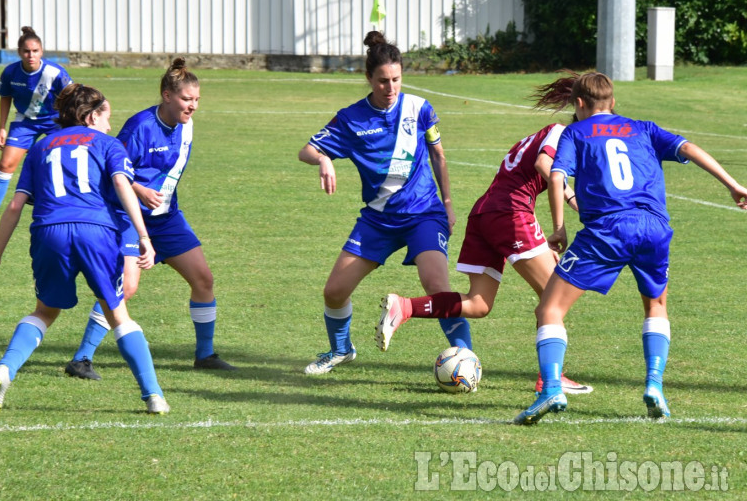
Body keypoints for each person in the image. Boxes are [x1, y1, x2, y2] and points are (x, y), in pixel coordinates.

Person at [513, 72, 747, 425]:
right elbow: (689, 148)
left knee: (549, 310)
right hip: (654, 227)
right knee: (656, 304)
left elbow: (558, 175)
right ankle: (655, 385)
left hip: (607, 230)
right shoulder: (643, 127)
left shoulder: (575, 132)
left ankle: (550, 391)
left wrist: (560, 228)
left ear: (579, 104)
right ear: (613, 103)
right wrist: (733, 185)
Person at [375, 73, 592, 395]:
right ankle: (550, 377)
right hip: (509, 213)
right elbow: (547, 168)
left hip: (486, 214)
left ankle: (404, 307)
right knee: (555, 295)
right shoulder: (562, 132)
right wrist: (570, 208)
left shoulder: (545, 135)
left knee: (478, 304)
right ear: (582, 110)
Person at [0, 83, 169, 414]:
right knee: (118, 312)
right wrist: (143, 235)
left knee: (43, 312)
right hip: (96, 231)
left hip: (49, 231)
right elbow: (123, 186)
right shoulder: (108, 144)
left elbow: (14, 206)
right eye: (106, 117)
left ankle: (4, 370)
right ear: (90, 115)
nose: (110, 125)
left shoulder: (40, 148)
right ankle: (154, 396)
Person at [299, 30, 472, 374]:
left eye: (396, 79)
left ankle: (466, 358)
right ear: (368, 78)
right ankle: (341, 350)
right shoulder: (350, 119)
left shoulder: (419, 109)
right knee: (334, 292)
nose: (390, 88)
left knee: (437, 287)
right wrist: (323, 159)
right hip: (378, 219)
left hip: (424, 213)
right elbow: (307, 149)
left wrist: (449, 203)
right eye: (382, 81)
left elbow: (438, 156)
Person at [64, 58, 236, 381]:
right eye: (187, 99)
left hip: (166, 218)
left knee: (203, 280)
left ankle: (205, 355)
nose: (193, 106)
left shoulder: (187, 127)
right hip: (129, 216)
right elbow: (112, 172)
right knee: (125, 288)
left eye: (197, 100)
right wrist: (140, 190)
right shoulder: (139, 126)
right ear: (166, 96)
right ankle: (81, 359)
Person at [0, 27, 72, 231]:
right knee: (5, 164)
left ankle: (55, 206)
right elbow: (5, 97)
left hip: (55, 121)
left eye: (35, 51)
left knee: (61, 163)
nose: (31, 55)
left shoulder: (55, 73)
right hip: (25, 121)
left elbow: (72, 98)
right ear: (19, 52)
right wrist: (2, 128)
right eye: (27, 51)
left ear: (42, 52)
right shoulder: (11, 71)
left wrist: (70, 126)